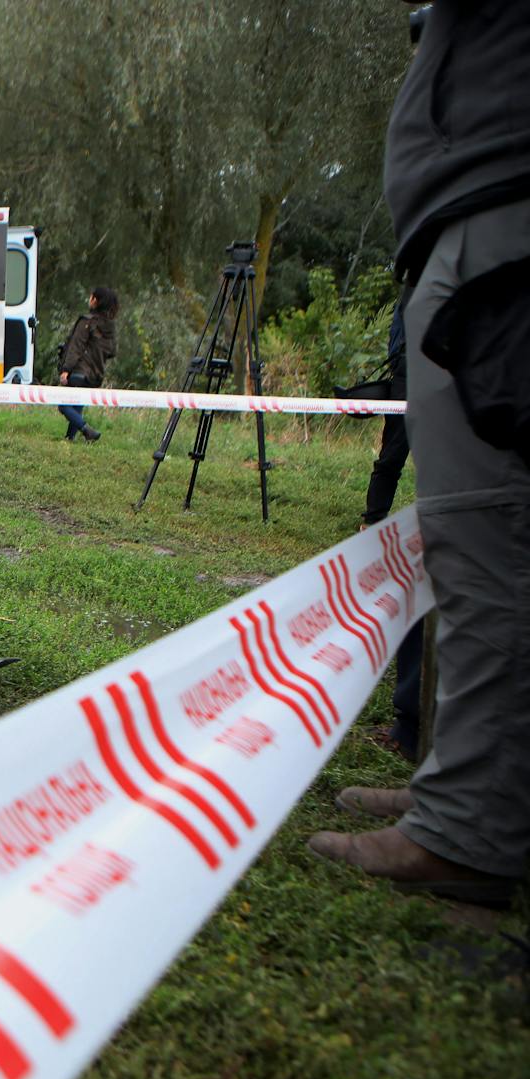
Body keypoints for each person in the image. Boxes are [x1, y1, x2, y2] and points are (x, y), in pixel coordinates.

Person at [309, 0, 530, 907]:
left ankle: (473, 822)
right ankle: (470, 785)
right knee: (473, 532)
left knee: (487, 535)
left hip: (497, 225)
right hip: (479, 212)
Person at [359, 301, 424, 762]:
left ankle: (413, 722)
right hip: (409, 384)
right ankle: (409, 722)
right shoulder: (413, 291)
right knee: (389, 460)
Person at [55, 287, 118, 442]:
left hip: (79, 371)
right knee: (77, 404)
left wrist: (66, 369)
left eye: (91, 297)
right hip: (96, 374)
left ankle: (86, 430)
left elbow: (76, 347)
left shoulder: (87, 322)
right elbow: (112, 351)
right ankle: (70, 438)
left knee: (63, 405)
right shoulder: (109, 327)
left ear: (95, 300)